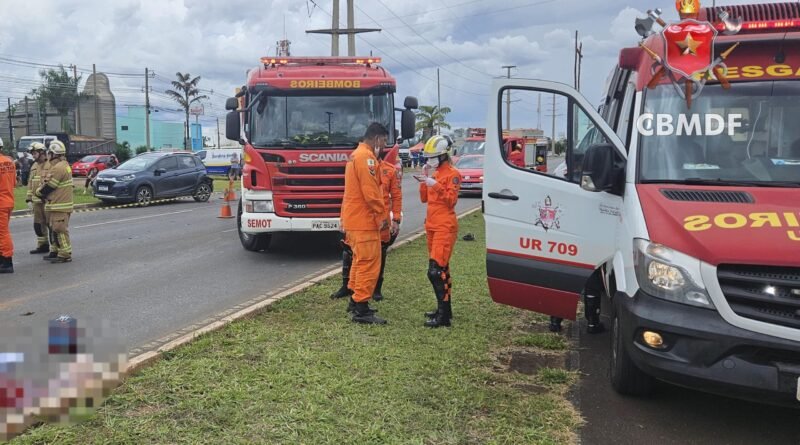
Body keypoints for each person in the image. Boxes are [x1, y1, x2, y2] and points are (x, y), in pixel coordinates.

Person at [330, 145, 403, 303]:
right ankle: (349, 288)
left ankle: (375, 289)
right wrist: (343, 218)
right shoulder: (359, 164)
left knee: (378, 255)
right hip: (362, 219)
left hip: (380, 220)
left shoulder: (389, 170)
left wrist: (395, 219)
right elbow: (349, 195)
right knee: (351, 253)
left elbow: (396, 197)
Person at [340, 123, 389, 324]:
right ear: (376, 139)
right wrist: (382, 216)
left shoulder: (355, 156)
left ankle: (354, 300)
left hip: (354, 219)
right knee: (368, 264)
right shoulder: (366, 158)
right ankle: (361, 308)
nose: (384, 146)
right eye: (384, 141)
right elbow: (371, 193)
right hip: (364, 221)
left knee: (359, 262)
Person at [417, 135, 461, 328]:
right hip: (432, 226)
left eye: (433, 156)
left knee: (435, 271)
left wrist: (436, 185)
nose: (430, 160)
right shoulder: (433, 174)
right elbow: (424, 199)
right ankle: (445, 310)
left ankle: (443, 316)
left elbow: (451, 200)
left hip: (445, 226)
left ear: (444, 155)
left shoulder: (453, 174)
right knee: (441, 270)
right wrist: (424, 179)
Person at [36, 140, 73, 263]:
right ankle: (59, 251)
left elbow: (49, 186)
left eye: (49, 153)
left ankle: (65, 254)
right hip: (58, 204)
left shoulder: (58, 168)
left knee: (59, 229)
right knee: (56, 229)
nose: (48, 156)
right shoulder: (64, 165)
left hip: (59, 205)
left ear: (54, 154)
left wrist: (38, 192)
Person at [25, 142, 50, 254]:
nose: (33, 156)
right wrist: (29, 199)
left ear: (42, 152)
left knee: (51, 225)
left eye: (34, 153)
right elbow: (30, 183)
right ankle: (43, 245)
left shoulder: (50, 165)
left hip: (47, 201)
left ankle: (55, 249)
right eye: (32, 153)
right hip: (36, 202)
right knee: (38, 225)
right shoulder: (34, 166)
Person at [0, 137, 16, 273]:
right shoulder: (9, 162)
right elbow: (14, 183)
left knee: (2, 233)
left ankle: (6, 262)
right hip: (8, 200)